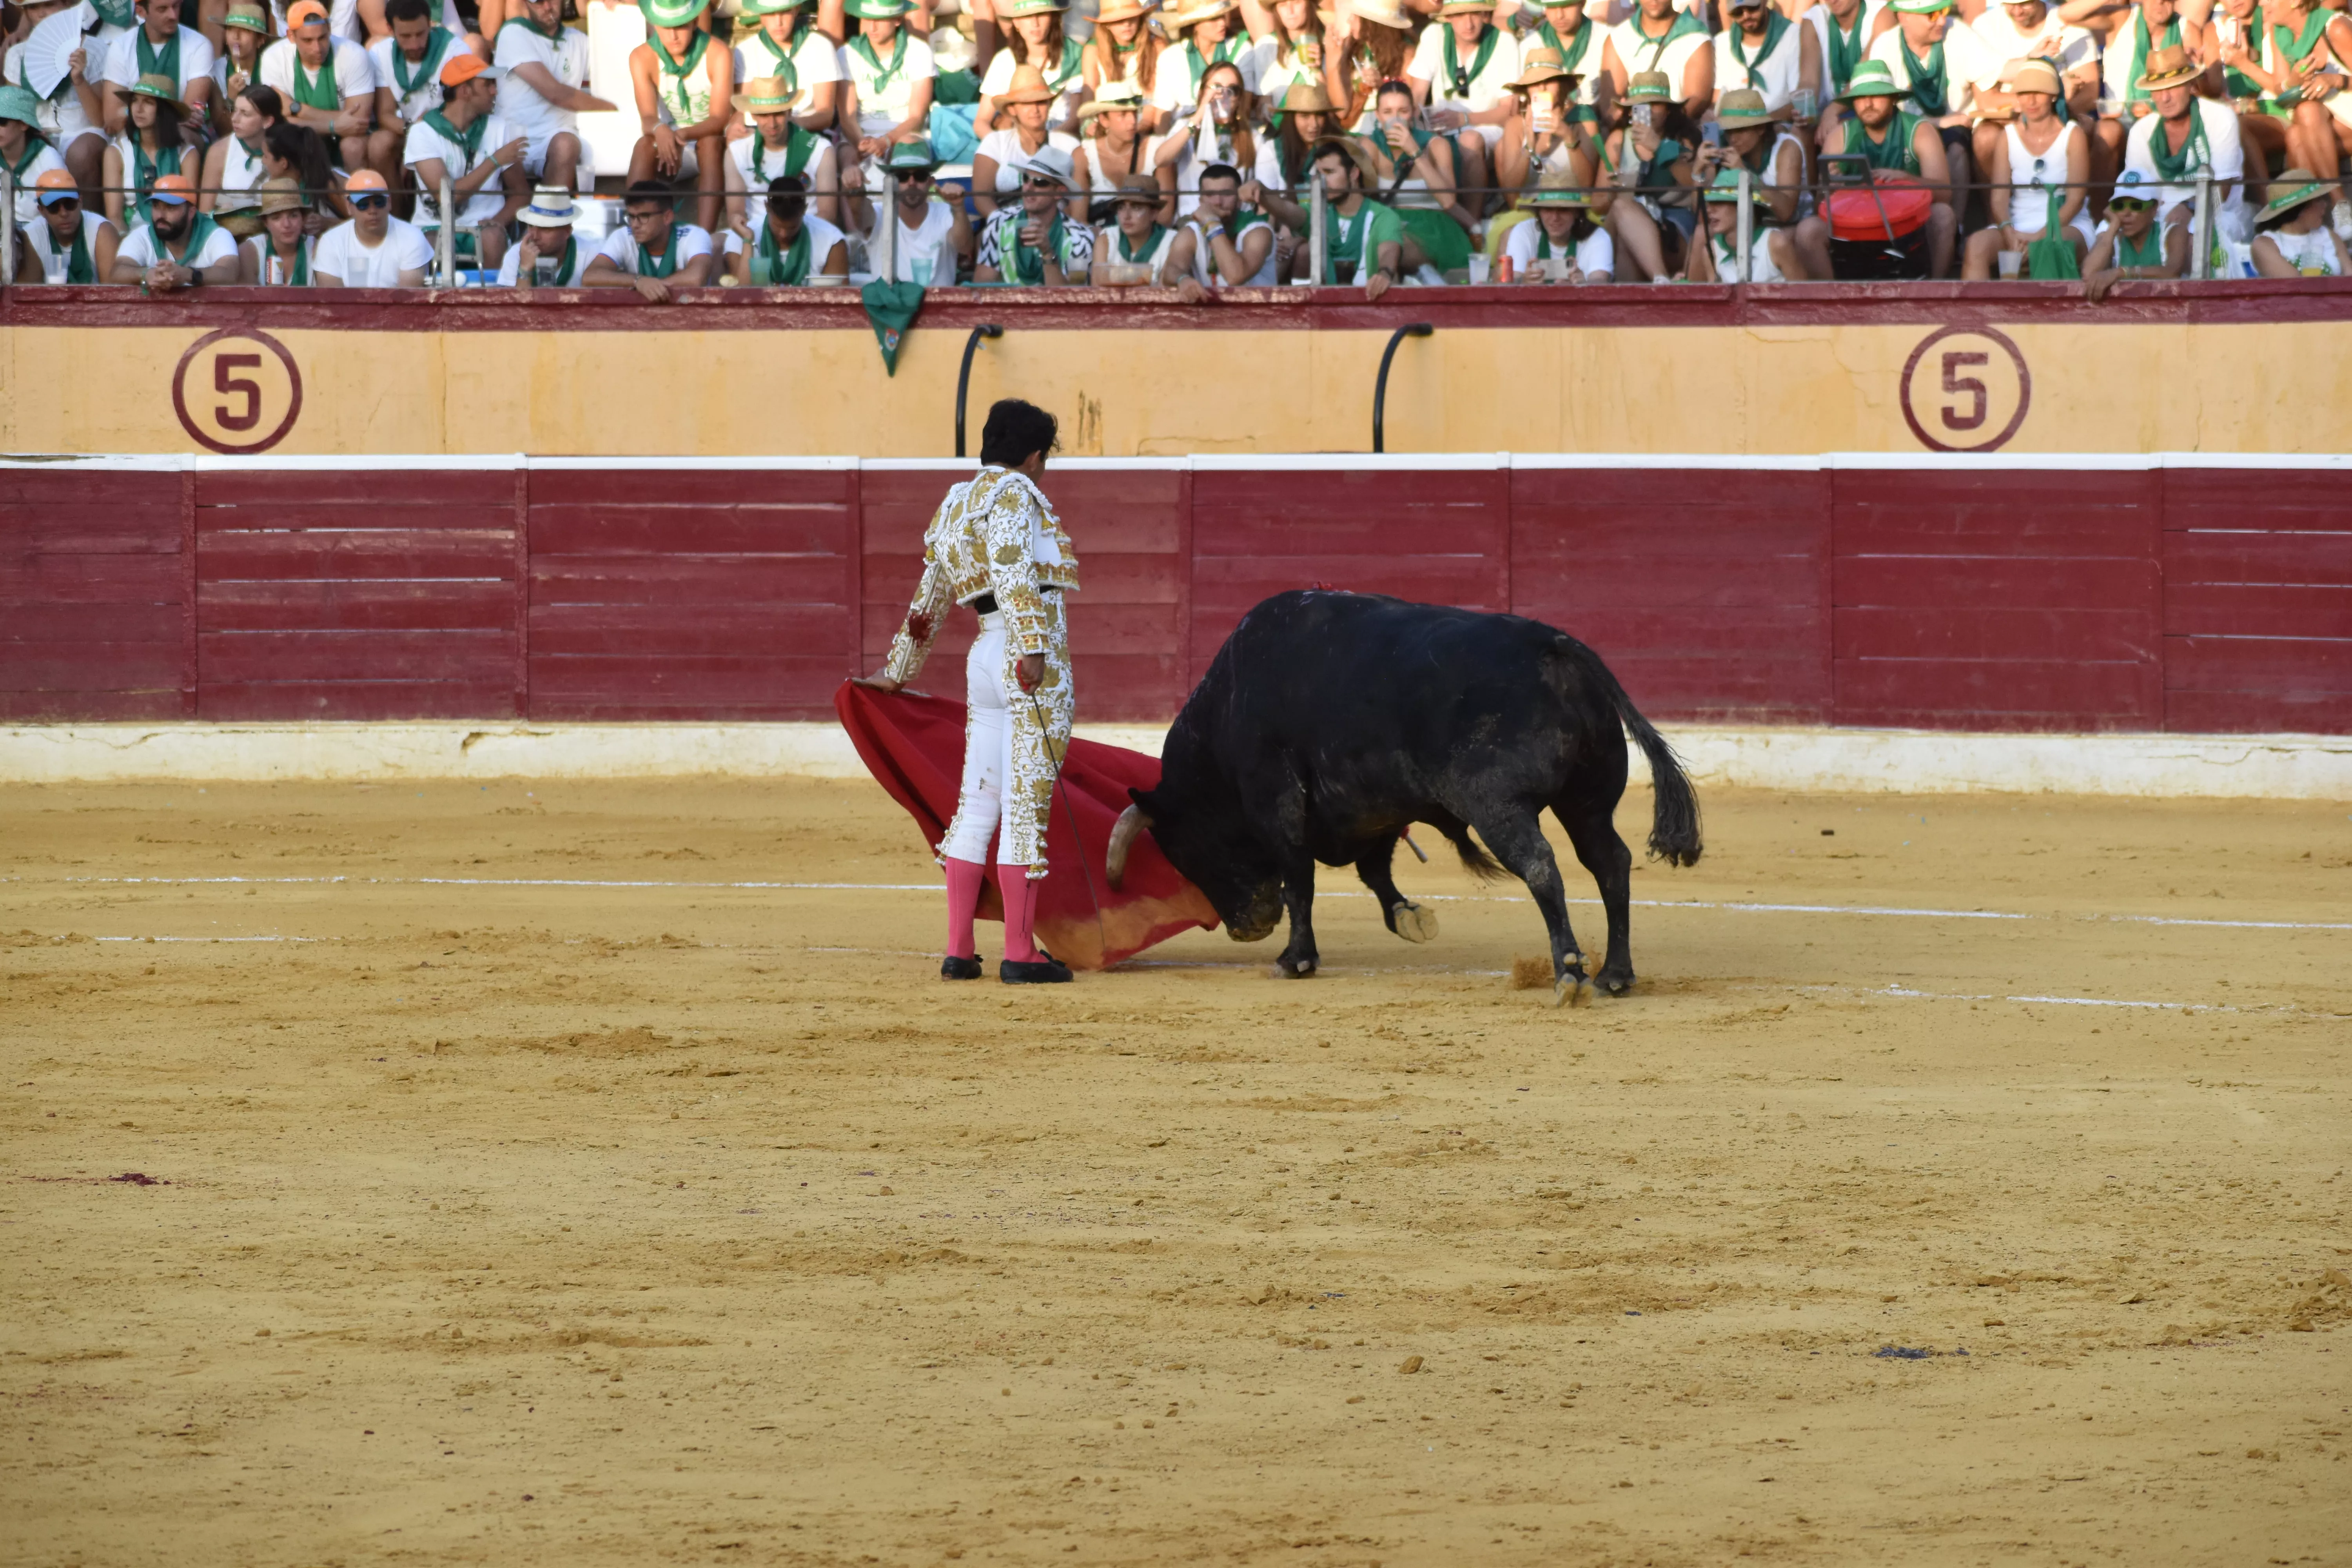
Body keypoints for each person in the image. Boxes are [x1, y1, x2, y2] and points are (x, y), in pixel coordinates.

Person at [856, 398, 1081, 986]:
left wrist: (899, 670)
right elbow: (1011, 567)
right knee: (1023, 808)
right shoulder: (1017, 494)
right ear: (1034, 457)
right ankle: (1020, 952)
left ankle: (959, 950)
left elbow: (930, 594)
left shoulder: (957, 500)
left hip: (984, 656)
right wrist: (1033, 646)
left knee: (977, 803)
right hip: (1026, 661)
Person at [1804, 57, 1955, 275]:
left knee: (1943, 215)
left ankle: (1938, 291)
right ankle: (1833, 295)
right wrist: (1831, 189)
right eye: (1860, 97)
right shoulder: (1840, 136)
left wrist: (1906, 179)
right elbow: (1820, 204)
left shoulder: (1920, 130)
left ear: (1893, 98)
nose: (1868, 104)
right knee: (1808, 230)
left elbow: (1945, 194)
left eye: (1876, 95)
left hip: (1908, 224)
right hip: (1853, 227)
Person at [1961, 56, 2089, 276]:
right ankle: (1978, 302)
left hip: (2065, 224)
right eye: (2023, 94)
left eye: (2038, 93)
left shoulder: (2073, 135)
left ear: (2053, 95)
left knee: (2051, 246)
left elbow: (2076, 200)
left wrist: (2041, 237)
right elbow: (1999, 199)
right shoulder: (2007, 136)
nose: (2030, 101)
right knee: (1976, 246)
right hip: (2017, 225)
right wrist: (2009, 233)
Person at [1865, 0, 2000, 199]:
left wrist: (2032, 59)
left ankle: (1955, 217)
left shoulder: (1958, 32)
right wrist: (1939, 122)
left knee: (1956, 149)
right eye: (1932, 16)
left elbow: (1999, 70)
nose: (1942, 21)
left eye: (1943, 12)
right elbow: (1880, 107)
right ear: (1904, 18)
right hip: (1906, 127)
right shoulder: (1885, 46)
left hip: (1956, 128)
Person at [403, 51, 523, 268]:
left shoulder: (500, 128)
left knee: (493, 238)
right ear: (465, 91)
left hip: (483, 227)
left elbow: (521, 194)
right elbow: (447, 197)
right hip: (433, 227)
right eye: (487, 85)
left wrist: (498, 222)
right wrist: (494, 161)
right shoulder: (422, 132)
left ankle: (496, 292)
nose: (495, 91)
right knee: (425, 244)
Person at [2122, 43, 2248, 241]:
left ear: (2191, 85)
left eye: (2173, 87)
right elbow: (2136, 189)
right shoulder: (2141, 130)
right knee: (2107, 231)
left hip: (2218, 213)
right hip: (2157, 214)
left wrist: (2188, 206)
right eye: (2157, 90)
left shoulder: (2220, 117)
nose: (2165, 98)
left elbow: (2222, 188)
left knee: (2189, 235)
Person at [628, 0, 732, 234]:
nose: (673, 36)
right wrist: (660, 130)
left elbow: (719, 118)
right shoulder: (641, 57)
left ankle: (705, 237)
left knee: (710, 143)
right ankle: (635, 229)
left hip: (705, 138)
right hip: (670, 138)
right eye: (666, 27)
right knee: (644, 146)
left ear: (695, 22)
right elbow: (648, 117)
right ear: (654, 25)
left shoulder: (718, 53)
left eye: (681, 26)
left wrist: (680, 134)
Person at [1404, 0, 1518, 209]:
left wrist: (1464, 119)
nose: (1469, 24)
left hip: (1486, 126)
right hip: (1441, 125)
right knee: (1420, 138)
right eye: (1460, 15)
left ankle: (1473, 221)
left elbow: (1508, 111)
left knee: (1469, 140)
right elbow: (1418, 94)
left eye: (1475, 14)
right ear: (1448, 17)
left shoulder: (1504, 41)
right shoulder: (1434, 35)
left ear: (1485, 14)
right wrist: (1408, 122)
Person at [491, 0, 606, 196]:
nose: (547, 7)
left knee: (566, 144)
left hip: (557, 140)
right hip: (511, 141)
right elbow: (556, 94)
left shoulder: (580, 40)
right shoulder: (513, 33)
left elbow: (617, 67)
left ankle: (552, 214)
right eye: (538, 2)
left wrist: (614, 10)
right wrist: (613, 109)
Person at [261, 0, 382, 179]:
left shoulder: (353, 54)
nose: (317, 48)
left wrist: (298, 110)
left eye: (322, 38)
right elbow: (280, 124)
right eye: (308, 41)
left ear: (330, 29)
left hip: (348, 139)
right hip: (302, 138)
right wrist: (334, 126)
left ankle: (358, 194)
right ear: (291, 36)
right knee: (285, 141)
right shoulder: (273, 59)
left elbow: (357, 124)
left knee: (352, 146)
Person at [4, 0, 112, 200]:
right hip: (36, 131)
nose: (42, 13)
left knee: (81, 153)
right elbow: (13, 114)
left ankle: (88, 217)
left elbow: (101, 120)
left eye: (49, 4)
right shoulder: (18, 55)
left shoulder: (95, 49)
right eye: (33, 8)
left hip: (84, 131)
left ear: (67, 5)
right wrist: (35, 136)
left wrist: (79, 80)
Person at [1596, 68, 1694, 281]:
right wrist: (1611, 193)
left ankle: (1645, 290)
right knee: (1621, 208)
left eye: (1655, 104)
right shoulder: (1619, 140)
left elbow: (1694, 184)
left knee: (1627, 239)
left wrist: (1658, 147)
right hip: (1622, 219)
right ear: (1631, 112)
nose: (1648, 111)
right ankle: (1661, 279)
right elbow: (1597, 205)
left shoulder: (1680, 141)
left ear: (1668, 110)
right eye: (1642, 105)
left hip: (1672, 226)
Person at [846, 136, 973, 284]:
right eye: (903, 176)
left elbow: (965, 247)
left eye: (920, 176)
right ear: (890, 182)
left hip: (939, 300)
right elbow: (858, 211)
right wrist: (855, 186)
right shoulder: (878, 213)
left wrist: (958, 207)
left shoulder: (947, 211)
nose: (912, 183)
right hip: (890, 300)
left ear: (931, 182)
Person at [837, 0, 934, 188]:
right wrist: (862, 143)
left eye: (880, 20)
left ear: (897, 19)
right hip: (859, 134)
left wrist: (886, 141)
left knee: (907, 150)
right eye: (867, 19)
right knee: (847, 159)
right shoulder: (847, 53)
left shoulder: (919, 51)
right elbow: (847, 117)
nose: (872, 27)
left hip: (905, 134)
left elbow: (917, 118)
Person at [727, 72, 838, 230]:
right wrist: (739, 223)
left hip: (809, 230)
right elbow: (735, 212)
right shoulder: (737, 152)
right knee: (713, 242)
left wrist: (793, 234)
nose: (772, 124)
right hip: (757, 230)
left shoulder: (820, 149)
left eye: (778, 114)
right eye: (764, 115)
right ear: (753, 115)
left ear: (790, 112)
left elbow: (828, 214)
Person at [1298, 135, 1406, 296]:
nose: (1321, 182)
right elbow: (1289, 212)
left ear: (1354, 174)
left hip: (1370, 304)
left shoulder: (1384, 216)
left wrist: (1385, 273)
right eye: (1319, 174)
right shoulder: (1316, 211)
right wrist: (1264, 193)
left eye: (1329, 172)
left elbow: (1389, 249)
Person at [975, 142, 1093, 281]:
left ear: (1060, 192)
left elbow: (1075, 293)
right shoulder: (999, 221)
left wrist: (1048, 253)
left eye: (1040, 182)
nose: (1028, 188)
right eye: (1026, 179)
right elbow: (982, 285)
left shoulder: (1081, 239)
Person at [973, 60, 1078, 215]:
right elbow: (982, 198)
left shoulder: (1069, 145)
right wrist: (1006, 224)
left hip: (1057, 225)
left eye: (1041, 102)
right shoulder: (995, 142)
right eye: (1026, 103)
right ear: (1012, 109)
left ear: (1049, 105)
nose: (1035, 109)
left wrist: (1054, 225)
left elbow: (1078, 201)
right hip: (1005, 224)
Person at [1155, 56, 1256, 215]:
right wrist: (1199, 116)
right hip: (1194, 219)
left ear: (1239, 99)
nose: (1223, 94)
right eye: (1216, 88)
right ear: (1202, 93)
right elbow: (1161, 160)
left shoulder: (1251, 135)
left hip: (1236, 221)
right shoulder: (1186, 126)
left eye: (1233, 89)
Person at [583, 177, 714, 298]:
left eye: (644, 217)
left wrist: (651, 286)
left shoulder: (694, 235)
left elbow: (696, 278)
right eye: (631, 217)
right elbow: (590, 277)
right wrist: (638, 281)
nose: (635, 225)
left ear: (667, 217)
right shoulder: (623, 236)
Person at [98, 0, 214, 136]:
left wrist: (134, 112)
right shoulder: (121, 47)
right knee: (115, 147)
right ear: (141, 12)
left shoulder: (199, 45)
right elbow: (112, 119)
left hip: (183, 135)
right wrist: (174, 113)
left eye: (176, 6)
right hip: (134, 134)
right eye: (162, 9)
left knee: (182, 135)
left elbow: (189, 117)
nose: (173, 15)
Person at [108, 169, 241, 284]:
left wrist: (187, 275)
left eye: (170, 208)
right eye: (156, 206)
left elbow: (229, 273)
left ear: (191, 213)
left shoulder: (216, 235)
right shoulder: (143, 235)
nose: (161, 215)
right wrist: (146, 274)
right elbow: (117, 272)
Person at [975, 0, 1083, 136]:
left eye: (1042, 15)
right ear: (1016, 22)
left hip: (1063, 136)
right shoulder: (1004, 59)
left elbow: (1075, 121)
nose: (1035, 24)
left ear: (1053, 18)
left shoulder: (1075, 55)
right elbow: (981, 122)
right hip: (1019, 138)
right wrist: (998, 146)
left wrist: (1041, 143)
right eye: (1027, 16)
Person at [1166, 157, 1276, 291]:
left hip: (1257, 305)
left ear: (1239, 201)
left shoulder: (1259, 231)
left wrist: (1212, 223)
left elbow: (1235, 277)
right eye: (1210, 195)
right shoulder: (1191, 232)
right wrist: (1182, 279)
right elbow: (1172, 269)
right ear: (1201, 201)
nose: (1218, 202)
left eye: (1226, 194)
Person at [733, 0, 839, 136]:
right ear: (760, 14)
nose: (778, 22)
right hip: (759, 131)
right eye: (771, 13)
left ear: (797, 9)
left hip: (807, 131)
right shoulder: (746, 51)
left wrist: (786, 125)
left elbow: (825, 115)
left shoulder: (820, 46)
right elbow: (744, 111)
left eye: (785, 12)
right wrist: (735, 126)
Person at [1684, 163, 1806, 279]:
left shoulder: (1776, 244)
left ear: (1745, 205)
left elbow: (1802, 292)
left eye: (1719, 202)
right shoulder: (1712, 251)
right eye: (1709, 203)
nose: (1710, 210)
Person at [311, 163, 429, 280]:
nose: (372, 211)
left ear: (389, 202)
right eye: (363, 205)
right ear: (349, 207)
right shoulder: (331, 243)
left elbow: (408, 292)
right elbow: (331, 292)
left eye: (379, 202)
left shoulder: (412, 238)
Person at [2079, 167, 2185, 297]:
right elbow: (2089, 274)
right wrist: (2113, 226)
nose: (2126, 213)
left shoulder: (2172, 232)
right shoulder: (2114, 237)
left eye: (2136, 206)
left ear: (2154, 209)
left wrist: (2121, 273)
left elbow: (2172, 272)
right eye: (2119, 206)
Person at [1071, 77, 1163, 224]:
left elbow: (1165, 217)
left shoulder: (1158, 150)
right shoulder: (1084, 156)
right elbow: (1079, 219)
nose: (1133, 121)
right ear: (1104, 120)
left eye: (1134, 113)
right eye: (1123, 115)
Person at [1602, 0, 1713, 122]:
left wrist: (1661, 129)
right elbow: (1611, 102)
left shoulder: (1696, 38)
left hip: (1677, 129)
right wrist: (1623, 125)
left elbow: (1696, 100)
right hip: (1634, 127)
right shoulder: (1618, 38)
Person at [727, 170, 849, 280]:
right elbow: (741, 293)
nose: (784, 234)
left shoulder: (832, 240)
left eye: (792, 228)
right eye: (777, 226)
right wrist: (748, 241)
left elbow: (839, 294)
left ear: (805, 209)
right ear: (766, 207)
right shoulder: (739, 238)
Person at [99, 74, 186, 227]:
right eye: (134, 101)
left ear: (165, 110)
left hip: (175, 233)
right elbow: (115, 217)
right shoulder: (115, 153)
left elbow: (189, 211)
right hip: (130, 234)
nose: (138, 109)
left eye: (148, 102)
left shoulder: (187, 154)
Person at [368, 0, 459, 144]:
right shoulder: (380, 53)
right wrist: (415, 131)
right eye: (406, 36)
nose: (415, 45)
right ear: (390, 29)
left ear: (430, 24)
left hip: (444, 131)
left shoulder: (455, 51)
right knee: (380, 144)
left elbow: (460, 112)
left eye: (420, 34)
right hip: (408, 130)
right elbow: (385, 115)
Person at [1713, 0, 1820, 118]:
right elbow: (1718, 99)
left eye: (1752, 8)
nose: (1746, 16)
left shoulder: (1793, 35)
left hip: (1780, 124)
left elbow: (1799, 101)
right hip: (1732, 125)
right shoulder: (1722, 42)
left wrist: (1761, 123)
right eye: (1738, 12)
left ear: (1765, 2)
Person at [13, 164, 119, 281]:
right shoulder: (32, 236)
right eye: (54, 207)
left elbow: (113, 290)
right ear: (42, 210)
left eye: (70, 204)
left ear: (80, 202)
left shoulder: (102, 231)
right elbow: (28, 291)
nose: (64, 214)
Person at [1154, 0, 1254, 122]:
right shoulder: (1170, 57)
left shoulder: (1242, 49)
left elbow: (1244, 108)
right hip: (1184, 129)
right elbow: (1163, 113)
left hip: (1229, 126)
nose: (1223, 23)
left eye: (1222, 16)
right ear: (1195, 25)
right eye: (1213, 19)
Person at [1501, 170, 1612, 280]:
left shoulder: (1597, 236)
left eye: (1563, 210)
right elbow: (1513, 279)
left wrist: (1583, 286)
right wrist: (1524, 282)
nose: (1555, 218)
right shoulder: (1524, 231)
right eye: (1548, 209)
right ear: (1539, 212)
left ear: (1577, 212)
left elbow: (1600, 281)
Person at [1330, 0, 1416, 130]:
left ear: (1370, 23)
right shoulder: (1354, 50)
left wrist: (1382, 85)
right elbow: (1342, 112)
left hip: (1391, 131)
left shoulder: (1407, 54)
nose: (1349, 21)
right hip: (1357, 132)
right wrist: (1332, 62)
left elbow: (1411, 105)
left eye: (1355, 16)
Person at [2247, 167, 2348, 275]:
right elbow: (2296, 284)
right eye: (2318, 200)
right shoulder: (2265, 245)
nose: (2325, 204)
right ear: (2299, 210)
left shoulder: (2330, 236)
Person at [1081, 0, 1165, 125]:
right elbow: (1089, 98)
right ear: (1107, 24)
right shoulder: (1093, 50)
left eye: (1133, 18)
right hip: (1106, 123)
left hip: (1146, 120)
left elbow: (1157, 97)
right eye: (1119, 20)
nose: (1127, 24)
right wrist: (1090, 126)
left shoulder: (1156, 46)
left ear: (1140, 19)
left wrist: (1142, 127)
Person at [1246, 0, 1325, 120]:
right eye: (1283, 5)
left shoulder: (1328, 43)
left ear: (1309, 4)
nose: (1290, 11)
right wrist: (1266, 109)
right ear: (1277, 11)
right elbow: (1264, 100)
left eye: (1297, 2)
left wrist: (1318, 71)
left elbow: (1335, 106)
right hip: (1283, 129)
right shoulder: (1268, 45)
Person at [497, 181, 589, 284]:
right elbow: (517, 296)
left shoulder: (588, 253)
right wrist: (525, 268)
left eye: (545, 229)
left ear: (567, 231)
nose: (535, 236)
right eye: (531, 226)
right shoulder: (516, 255)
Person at [1091, 169, 1174, 279]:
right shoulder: (1107, 240)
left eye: (1136, 208)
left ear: (1154, 214)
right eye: (1121, 208)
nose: (1127, 216)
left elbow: (1165, 288)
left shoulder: (1171, 243)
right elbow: (1097, 287)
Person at [208, 4, 272, 139]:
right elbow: (223, 131)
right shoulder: (215, 70)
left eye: (245, 31)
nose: (236, 36)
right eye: (231, 29)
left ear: (260, 40)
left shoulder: (271, 69)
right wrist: (231, 99)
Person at [236, 174, 316, 280]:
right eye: (276, 218)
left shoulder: (317, 250)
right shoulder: (250, 252)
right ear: (266, 223)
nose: (287, 224)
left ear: (303, 218)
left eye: (294, 216)